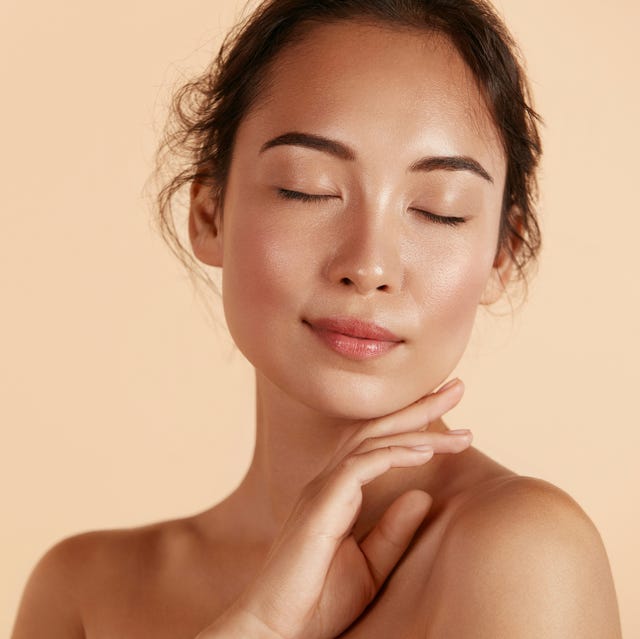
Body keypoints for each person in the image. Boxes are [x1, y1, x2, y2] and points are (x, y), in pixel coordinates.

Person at [11, 0, 623, 637]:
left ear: (502, 254)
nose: (369, 265)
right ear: (209, 213)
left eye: (441, 210)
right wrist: (257, 625)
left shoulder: (525, 555)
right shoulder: (85, 591)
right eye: (307, 188)